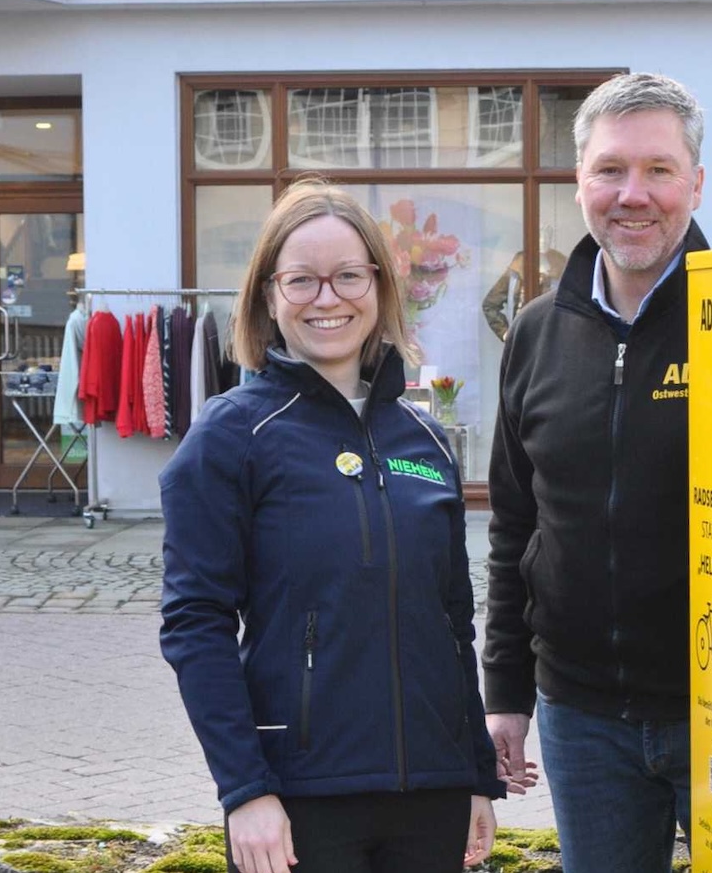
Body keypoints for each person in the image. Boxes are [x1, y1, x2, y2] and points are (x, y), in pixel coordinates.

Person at [159, 177, 506, 873]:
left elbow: (450, 620)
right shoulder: (232, 436)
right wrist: (245, 790)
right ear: (268, 294)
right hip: (299, 800)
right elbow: (195, 623)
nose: (328, 298)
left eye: (348, 275)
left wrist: (473, 773)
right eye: (303, 280)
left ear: (378, 285)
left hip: (430, 795)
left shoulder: (424, 438)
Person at [482, 72, 707, 873]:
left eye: (658, 170)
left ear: (696, 183)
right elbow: (515, 524)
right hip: (580, 714)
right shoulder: (536, 335)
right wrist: (506, 693)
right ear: (580, 183)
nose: (632, 194)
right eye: (610, 170)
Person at [480, 248, 568, 341]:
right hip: (522, 338)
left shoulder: (559, 265)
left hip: (550, 340)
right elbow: (490, 304)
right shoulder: (518, 267)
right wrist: (505, 333)